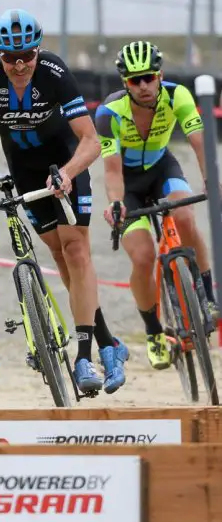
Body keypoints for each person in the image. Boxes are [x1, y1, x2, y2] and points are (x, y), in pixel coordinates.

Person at [0, 9, 129, 395]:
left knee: (76, 250)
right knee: (58, 253)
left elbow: (91, 141)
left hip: (64, 161)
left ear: (38, 50)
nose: (20, 65)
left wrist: (70, 173)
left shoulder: (54, 72)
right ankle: (110, 342)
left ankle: (85, 354)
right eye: (10, 57)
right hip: (23, 168)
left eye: (27, 55)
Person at [96, 40, 219, 370]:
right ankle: (153, 332)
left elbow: (200, 143)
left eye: (149, 77)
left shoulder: (177, 95)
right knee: (143, 255)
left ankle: (207, 297)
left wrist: (211, 182)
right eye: (135, 80)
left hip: (163, 168)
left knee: (185, 217)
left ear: (159, 75)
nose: (144, 86)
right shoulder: (110, 112)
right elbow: (110, 169)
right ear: (125, 82)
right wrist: (117, 203)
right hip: (128, 183)